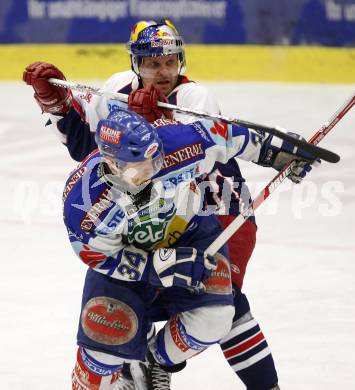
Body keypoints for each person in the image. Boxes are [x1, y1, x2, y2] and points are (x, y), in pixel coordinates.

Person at [23, 20, 316, 390]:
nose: (162, 72)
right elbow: (88, 149)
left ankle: (154, 361)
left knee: (224, 307)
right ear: (135, 63)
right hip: (133, 228)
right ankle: (127, 364)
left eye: (169, 61)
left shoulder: (191, 110)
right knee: (112, 324)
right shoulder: (111, 106)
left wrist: (279, 151)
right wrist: (60, 106)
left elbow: (212, 144)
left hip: (209, 208)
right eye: (151, 63)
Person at [62, 107, 316, 390]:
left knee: (215, 318)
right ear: (113, 164)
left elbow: (229, 135)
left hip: (192, 236)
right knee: (105, 338)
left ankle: (153, 359)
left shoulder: (178, 142)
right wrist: (155, 267)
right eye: (141, 168)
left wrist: (274, 151)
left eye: (155, 160)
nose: (154, 170)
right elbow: (96, 255)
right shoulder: (84, 203)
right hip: (128, 262)